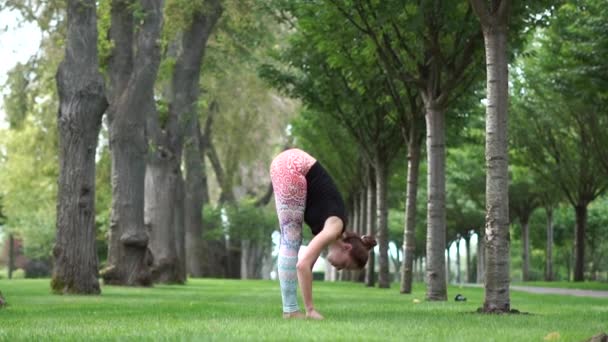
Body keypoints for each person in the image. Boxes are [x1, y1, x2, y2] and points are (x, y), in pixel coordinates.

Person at [270, 148, 377, 320]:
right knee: (291, 238)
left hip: (287, 163)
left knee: (291, 238)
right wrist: (310, 309)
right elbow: (302, 265)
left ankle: (290, 310)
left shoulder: (332, 229)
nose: (341, 269)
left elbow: (306, 267)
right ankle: (290, 311)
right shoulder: (334, 228)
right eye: (346, 265)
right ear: (347, 248)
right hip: (293, 166)